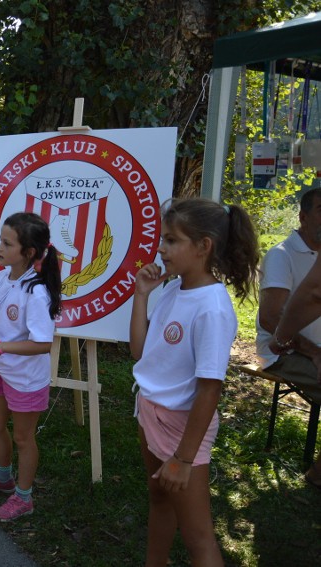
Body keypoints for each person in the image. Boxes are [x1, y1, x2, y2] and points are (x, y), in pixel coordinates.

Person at [130, 198, 258, 566]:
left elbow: (210, 388)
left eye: (172, 241)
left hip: (181, 427)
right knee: (158, 498)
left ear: (203, 247)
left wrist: (183, 458)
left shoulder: (212, 307)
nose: (161, 249)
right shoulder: (172, 289)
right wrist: (142, 296)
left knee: (198, 535)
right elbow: (141, 351)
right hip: (150, 409)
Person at [0, 212, 61, 522]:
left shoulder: (36, 292)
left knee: (23, 438)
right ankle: (3, 477)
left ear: (29, 253)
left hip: (26, 379)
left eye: (6, 244)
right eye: (0, 240)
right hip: (3, 370)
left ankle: (23, 498)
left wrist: (0, 347)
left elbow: (43, 344)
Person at [260, 188, 321, 487]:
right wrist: (314, 353)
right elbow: (271, 320)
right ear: (303, 216)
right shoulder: (282, 255)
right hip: (283, 354)